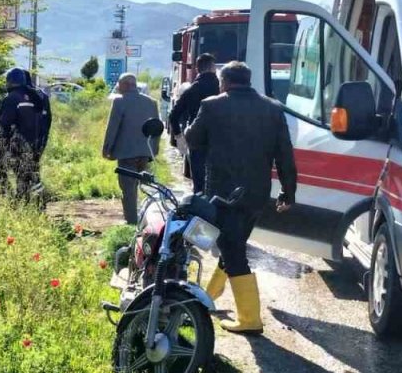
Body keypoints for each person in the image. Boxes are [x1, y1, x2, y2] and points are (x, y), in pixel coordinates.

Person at [184, 61, 297, 334]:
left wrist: (189, 127)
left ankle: (250, 320)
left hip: (222, 196)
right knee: (233, 243)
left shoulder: (212, 105)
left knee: (234, 251)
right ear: (248, 80)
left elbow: (193, 139)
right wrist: (288, 191)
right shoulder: (272, 108)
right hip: (257, 194)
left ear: (224, 81)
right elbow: (285, 154)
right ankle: (208, 296)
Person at [101, 73, 160, 224]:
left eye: (119, 85)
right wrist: (154, 150)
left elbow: (113, 127)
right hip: (145, 152)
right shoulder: (151, 102)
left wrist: (107, 148)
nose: (118, 89)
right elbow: (156, 129)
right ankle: (143, 219)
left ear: (126, 85)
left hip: (127, 153)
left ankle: (132, 222)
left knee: (128, 190)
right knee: (142, 186)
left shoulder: (120, 102)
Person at [0, 68, 51, 200]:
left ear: (10, 82)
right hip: (34, 144)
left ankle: (9, 198)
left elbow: (4, 125)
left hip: (17, 145)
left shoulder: (12, 98)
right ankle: (32, 202)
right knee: (26, 174)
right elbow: (45, 123)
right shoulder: (36, 98)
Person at [168, 53, 219, 194]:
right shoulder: (223, 89)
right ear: (214, 68)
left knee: (199, 180)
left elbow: (173, 115)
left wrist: (179, 138)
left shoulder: (192, 89)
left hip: (197, 138)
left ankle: (200, 209)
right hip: (221, 139)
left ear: (197, 69)